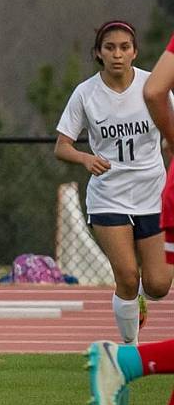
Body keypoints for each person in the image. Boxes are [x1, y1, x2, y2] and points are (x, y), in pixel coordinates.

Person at [55, 20, 172, 345]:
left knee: (158, 285)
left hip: (152, 196)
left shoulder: (154, 88)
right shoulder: (86, 93)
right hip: (109, 198)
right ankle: (129, 351)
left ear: (134, 52)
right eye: (110, 48)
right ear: (98, 53)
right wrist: (85, 158)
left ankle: (140, 299)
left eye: (124, 47)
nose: (117, 54)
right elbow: (61, 145)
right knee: (126, 277)